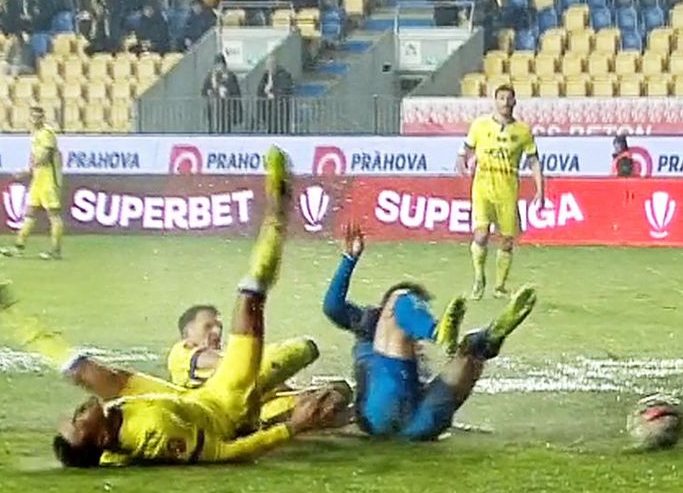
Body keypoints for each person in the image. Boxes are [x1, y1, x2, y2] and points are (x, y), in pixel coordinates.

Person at [31, 148, 344, 465]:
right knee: (268, 318)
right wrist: (293, 427)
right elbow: (221, 453)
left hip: (203, 398)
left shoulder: (118, 423)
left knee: (320, 374)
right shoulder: (157, 426)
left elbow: (111, 449)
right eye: (78, 423)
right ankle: (276, 214)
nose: (76, 413)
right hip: (229, 408)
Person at [322, 224, 536, 439]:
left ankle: (469, 335)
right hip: (423, 421)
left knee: (465, 350)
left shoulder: (389, 339)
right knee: (470, 352)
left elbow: (331, 307)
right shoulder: (371, 320)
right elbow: (332, 308)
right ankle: (484, 337)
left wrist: (349, 260)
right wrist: (349, 259)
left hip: (384, 415)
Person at [168, 303, 322, 427]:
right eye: (208, 326)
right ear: (188, 331)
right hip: (216, 416)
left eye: (219, 327)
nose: (217, 332)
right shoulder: (181, 352)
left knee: (324, 399)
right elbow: (233, 365)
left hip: (248, 409)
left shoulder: (225, 355)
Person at [456, 85, 545, 300]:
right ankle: (479, 278)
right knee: (481, 234)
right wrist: (461, 158)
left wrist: (540, 190)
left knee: (506, 240)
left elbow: (533, 161)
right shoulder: (480, 125)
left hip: (507, 190)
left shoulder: (522, 131)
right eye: (501, 98)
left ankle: (500, 287)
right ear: (495, 101)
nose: (505, 102)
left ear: (514, 102)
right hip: (483, 187)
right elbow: (466, 148)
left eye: (508, 98)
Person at [0, 106, 64, 260]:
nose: (35, 120)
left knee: (53, 215)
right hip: (38, 180)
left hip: (49, 179)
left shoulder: (47, 133)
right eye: (33, 117)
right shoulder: (35, 135)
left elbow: (45, 157)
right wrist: (28, 170)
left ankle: (56, 251)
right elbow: (34, 157)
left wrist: (29, 169)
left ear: (43, 118)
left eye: (38, 117)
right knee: (30, 213)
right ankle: (18, 247)